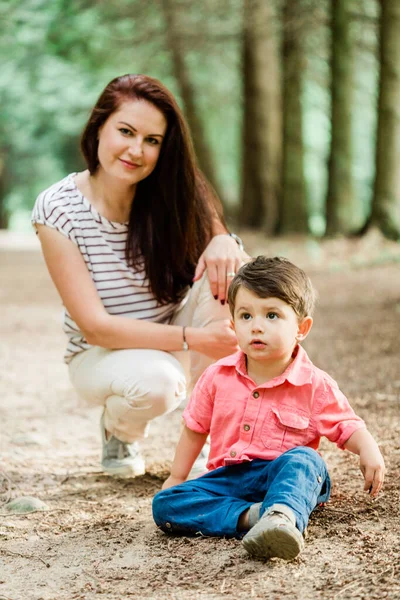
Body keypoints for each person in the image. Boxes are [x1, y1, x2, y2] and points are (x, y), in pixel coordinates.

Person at [31, 74, 247, 479]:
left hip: (172, 330)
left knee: (235, 273)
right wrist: (195, 340)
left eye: (152, 140)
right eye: (126, 132)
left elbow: (224, 243)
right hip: (102, 354)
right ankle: (119, 429)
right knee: (156, 382)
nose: (136, 150)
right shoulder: (58, 210)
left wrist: (225, 241)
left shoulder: (173, 190)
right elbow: (96, 328)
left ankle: (211, 442)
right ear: (98, 128)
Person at [152, 256, 386, 561]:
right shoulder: (217, 376)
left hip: (285, 476)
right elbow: (195, 428)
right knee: (166, 503)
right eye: (246, 317)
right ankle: (254, 516)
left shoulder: (314, 384)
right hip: (229, 479)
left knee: (307, 460)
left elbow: (346, 424)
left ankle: (284, 514)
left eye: (272, 315)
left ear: (301, 327)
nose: (257, 327)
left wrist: (367, 446)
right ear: (234, 325)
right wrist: (177, 475)